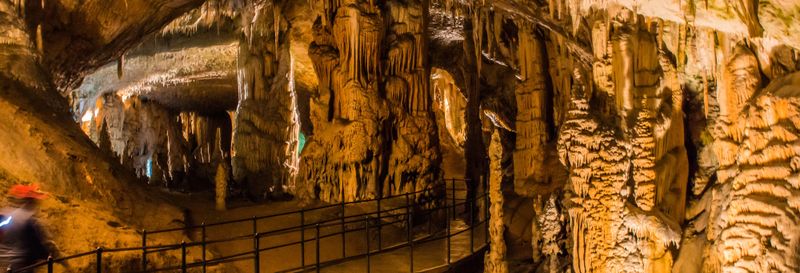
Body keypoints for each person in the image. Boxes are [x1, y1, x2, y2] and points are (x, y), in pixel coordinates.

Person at [0, 184, 58, 272]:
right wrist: (67, 264)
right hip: (21, 265)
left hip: (6, 263)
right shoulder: (30, 221)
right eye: (35, 201)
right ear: (30, 202)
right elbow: (48, 245)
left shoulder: (6, 215)